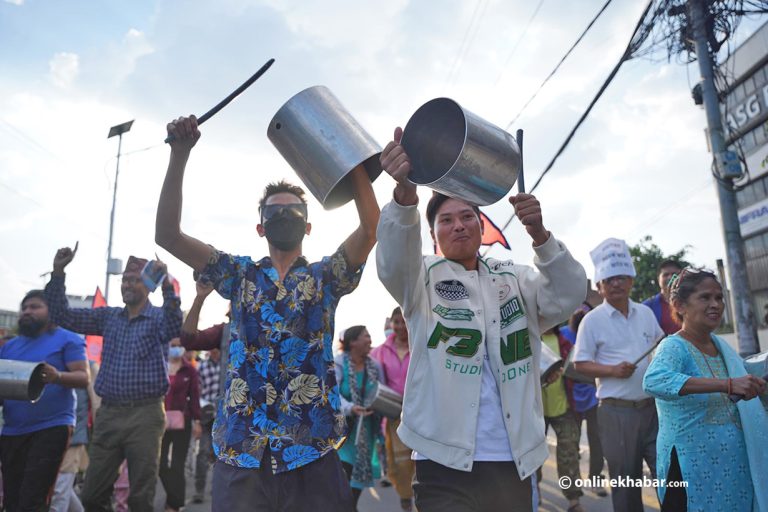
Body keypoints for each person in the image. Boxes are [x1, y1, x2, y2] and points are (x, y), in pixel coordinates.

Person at [155, 115, 379, 512]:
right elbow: (168, 235)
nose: (283, 216)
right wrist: (180, 154)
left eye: (293, 210)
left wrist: (356, 166)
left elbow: (369, 227)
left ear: (309, 226)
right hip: (243, 450)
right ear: (260, 227)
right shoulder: (238, 273)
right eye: (273, 211)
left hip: (312, 448)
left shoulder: (325, 277)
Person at [376, 127, 587, 511]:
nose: (458, 225)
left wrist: (540, 235)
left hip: (513, 458)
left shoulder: (516, 278)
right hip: (441, 460)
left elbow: (568, 294)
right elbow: (392, 260)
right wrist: (405, 196)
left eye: (467, 216)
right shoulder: (420, 278)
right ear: (432, 234)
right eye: (446, 220)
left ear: (481, 226)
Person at [45, 249, 182, 512]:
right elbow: (63, 316)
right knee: (92, 495)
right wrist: (59, 272)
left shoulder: (158, 319)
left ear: (149, 285)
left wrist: (166, 285)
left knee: (140, 497)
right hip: (109, 414)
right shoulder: (108, 317)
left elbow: (175, 327)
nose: (128, 284)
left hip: (146, 415)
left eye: (135, 279)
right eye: (125, 280)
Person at [643, 268, 768, 511]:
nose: (715, 304)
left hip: (734, 470)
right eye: (705, 297)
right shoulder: (673, 346)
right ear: (679, 305)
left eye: (719, 297)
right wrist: (728, 384)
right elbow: (654, 380)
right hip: (690, 470)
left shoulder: (722, 348)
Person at [572, 237, 664, 512]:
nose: (616, 283)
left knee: (668, 477)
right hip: (616, 413)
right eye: (609, 279)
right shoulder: (592, 321)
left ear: (631, 281)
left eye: (621, 277)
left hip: (652, 410)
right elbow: (580, 364)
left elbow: (660, 347)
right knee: (626, 486)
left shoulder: (646, 313)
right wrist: (613, 370)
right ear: (599, 286)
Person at [0, 290, 89, 512]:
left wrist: (56, 376)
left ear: (51, 311)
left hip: (51, 428)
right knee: (11, 501)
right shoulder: (10, 346)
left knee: (33, 500)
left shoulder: (68, 338)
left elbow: (83, 377)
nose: (27, 311)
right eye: (25, 308)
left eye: (35, 306)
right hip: (12, 431)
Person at [334, 326, 384, 511]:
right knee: (343, 485)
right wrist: (350, 408)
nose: (370, 340)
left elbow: (382, 393)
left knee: (354, 490)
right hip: (344, 434)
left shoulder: (375, 366)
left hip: (366, 433)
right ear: (352, 341)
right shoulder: (339, 364)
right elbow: (333, 394)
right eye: (366, 336)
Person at [558, 307, 606, 497]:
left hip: (594, 395)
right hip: (570, 396)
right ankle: (573, 482)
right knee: (572, 443)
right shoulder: (563, 334)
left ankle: (595, 479)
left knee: (597, 441)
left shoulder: (598, 334)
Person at [370, 307, 414, 511]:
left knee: (423, 461)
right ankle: (405, 501)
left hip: (422, 413)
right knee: (400, 463)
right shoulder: (379, 352)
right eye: (396, 322)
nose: (400, 326)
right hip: (395, 416)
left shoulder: (420, 345)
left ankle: (423, 500)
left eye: (403, 321)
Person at [538, 329, 584, 512]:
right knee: (533, 455)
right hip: (535, 411)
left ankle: (574, 499)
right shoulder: (529, 336)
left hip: (562, 407)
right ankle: (534, 490)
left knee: (569, 453)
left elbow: (577, 369)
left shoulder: (564, 342)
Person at [160, 337, 202, 512]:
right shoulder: (159, 365)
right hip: (159, 421)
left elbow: (195, 397)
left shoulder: (189, 370)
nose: (175, 349)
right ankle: (175, 499)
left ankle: (173, 505)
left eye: (179, 346)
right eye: (173, 346)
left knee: (177, 464)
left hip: (182, 421)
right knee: (159, 464)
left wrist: (197, 421)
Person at [643, 259, 683, 335]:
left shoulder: (692, 303)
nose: (670, 278)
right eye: (666, 274)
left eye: (674, 274)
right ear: (658, 279)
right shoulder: (647, 307)